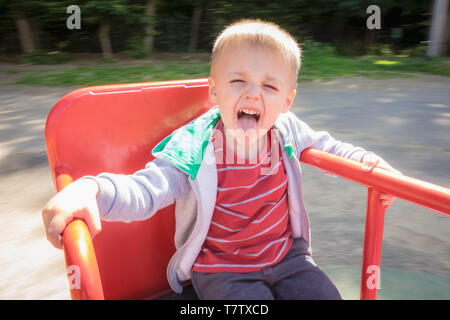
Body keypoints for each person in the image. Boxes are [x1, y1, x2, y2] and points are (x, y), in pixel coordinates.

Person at [42, 19, 398, 300]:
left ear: (287, 101)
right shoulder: (195, 145)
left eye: (270, 87)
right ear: (215, 91)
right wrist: (91, 190)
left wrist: (372, 166)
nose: (253, 93)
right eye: (238, 80)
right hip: (223, 268)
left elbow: (330, 147)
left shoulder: (286, 128)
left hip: (288, 259)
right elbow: (147, 190)